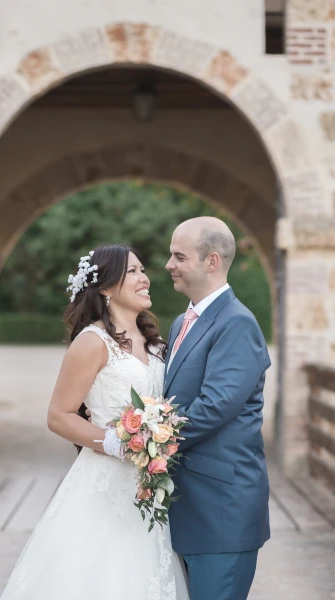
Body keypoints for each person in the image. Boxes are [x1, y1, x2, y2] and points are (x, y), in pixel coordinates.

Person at [0, 244, 189, 600]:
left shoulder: (157, 345)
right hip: (103, 484)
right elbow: (58, 415)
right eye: (132, 271)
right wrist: (117, 443)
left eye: (142, 269)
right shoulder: (92, 342)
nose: (144, 278)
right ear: (104, 287)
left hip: (149, 485)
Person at [165, 217, 271, 600]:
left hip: (221, 508)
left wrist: (146, 440)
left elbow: (214, 407)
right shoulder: (181, 323)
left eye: (179, 256)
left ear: (211, 261)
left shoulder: (238, 323)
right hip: (186, 505)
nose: (168, 265)